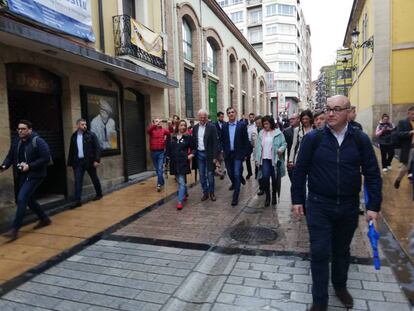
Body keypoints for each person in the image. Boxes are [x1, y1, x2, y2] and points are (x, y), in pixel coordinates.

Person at [292, 95, 382, 311]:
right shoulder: (313, 139)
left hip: (349, 207)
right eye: (328, 109)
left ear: (348, 112)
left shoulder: (359, 139)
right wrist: (297, 199)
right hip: (319, 205)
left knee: (342, 251)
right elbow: (300, 170)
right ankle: (319, 300)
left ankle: (340, 286)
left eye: (337, 109)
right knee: (320, 251)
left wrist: (373, 207)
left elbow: (372, 173)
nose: (330, 113)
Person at [1, 120, 52, 241]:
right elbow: (10, 156)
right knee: (29, 199)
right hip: (23, 175)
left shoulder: (38, 141)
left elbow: (46, 157)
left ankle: (15, 229)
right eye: (19, 129)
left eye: (23, 129)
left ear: (30, 130)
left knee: (21, 198)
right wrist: (3, 166)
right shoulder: (16, 142)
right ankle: (44, 219)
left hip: (35, 174)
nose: (20, 131)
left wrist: (30, 166)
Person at [68, 118, 103, 207]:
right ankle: (77, 201)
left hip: (90, 161)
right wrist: (70, 163)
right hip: (78, 162)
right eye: (82, 124)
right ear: (77, 125)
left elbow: (97, 148)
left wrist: (96, 160)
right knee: (78, 181)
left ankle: (99, 194)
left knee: (94, 178)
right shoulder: (74, 136)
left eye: (85, 124)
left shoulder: (91, 135)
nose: (84, 126)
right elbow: (71, 150)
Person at [255, 116, 287, 207]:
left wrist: (281, 149)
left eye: (267, 124)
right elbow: (258, 147)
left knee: (274, 179)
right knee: (265, 178)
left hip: (274, 159)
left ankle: (273, 196)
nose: (265, 126)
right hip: (264, 159)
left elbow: (284, 144)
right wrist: (257, 159)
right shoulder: (261, 133)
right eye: (264, 124)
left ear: (271, 123)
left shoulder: (278, 133)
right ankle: (267, 197)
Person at [222, 107, 250, 206]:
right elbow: (222, 140)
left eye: (232, 112)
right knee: (230, 173)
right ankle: (238, 181)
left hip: (238, 154)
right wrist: (222, 150)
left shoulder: (241, 125)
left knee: (237, 173)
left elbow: (246, 141)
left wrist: (246, 154)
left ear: (236, 113)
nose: (231, 114)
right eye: (229, 112)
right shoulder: (224, 126)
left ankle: (235, 196)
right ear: (227, 115)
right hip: (228, 154)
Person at [166, 120, 194, 210]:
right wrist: (167, 160)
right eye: (181, 125)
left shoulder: (188, 137)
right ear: (177, 126)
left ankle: (179, 201)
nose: (183, 127)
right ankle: (184, 193)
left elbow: (194, 149)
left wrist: (191, 155)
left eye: (185, 125)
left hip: (183, 162)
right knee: (179, 181)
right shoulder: (171, 137)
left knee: (181, 182)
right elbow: (168, 150)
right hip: (174, 162)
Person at [192, 109, 219, 201]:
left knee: (210, 174)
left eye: (204, 117)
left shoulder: (212, 127)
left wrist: (215, 157)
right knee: (202, 175)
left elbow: (216, 143)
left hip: (209, 155)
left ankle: (212, 193)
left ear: (207, 118)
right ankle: (205, 192)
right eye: (201, 117)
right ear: (198, 117)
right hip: (199, 154)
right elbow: (194, 141)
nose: (203, 119)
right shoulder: (195, 128)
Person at [147, 118, 171, 191]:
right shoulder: (151, 130)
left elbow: (169, 133)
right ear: (153, 123)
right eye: (156, 121)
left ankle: (159, 184)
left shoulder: (163, 130)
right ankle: (162, 181)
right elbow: (148, 130)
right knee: (157, 169)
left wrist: (169, 125)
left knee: (160, 168)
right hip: (153, 152)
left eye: (159, 121)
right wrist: (155, 125)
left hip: (161, 152)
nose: (158, 122)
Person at [394, 106, 414, 189]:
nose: (413, 116)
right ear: (408, 113)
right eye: (412, 114)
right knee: (404, 168)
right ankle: (398, 180)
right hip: (408, 148)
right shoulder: (402, 122)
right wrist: (410, 132)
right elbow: (399, 134)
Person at [283, 113, 300, 181]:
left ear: (298, 119)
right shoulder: (286, 131)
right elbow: (284, 145)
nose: (291, 120)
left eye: (293, 119)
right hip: (290, 160)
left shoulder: (303, 130)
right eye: (290, 119)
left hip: (300, 159)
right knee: (291, 177)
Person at [214, 111, 226, 179]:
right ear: (218, 117)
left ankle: (223, 171)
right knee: (218, 157)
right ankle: (219, 170)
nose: (222, 118)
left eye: (223, 117)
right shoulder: (214, 124)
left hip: (223, 143)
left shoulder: (225, 124)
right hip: (217, 143)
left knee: (222, 157)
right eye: (221, 117)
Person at [246, 112, 257, 180]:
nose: (251, 118)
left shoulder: (256, 125)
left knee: (256, 158)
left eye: (252, 117)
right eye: (250, 117)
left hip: (255, 143)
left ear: (254, 118)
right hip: (248, 143)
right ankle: (249, 172)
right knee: (247, 159)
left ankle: (256, 172)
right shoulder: (247, 126)